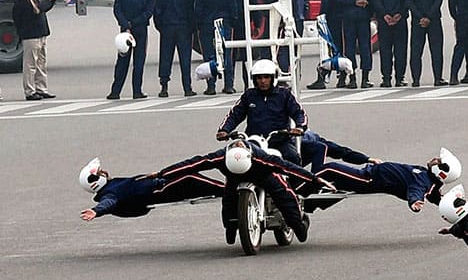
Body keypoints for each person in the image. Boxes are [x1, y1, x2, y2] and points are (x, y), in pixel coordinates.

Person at [159, 138, 327, 244]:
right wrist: (162, 173)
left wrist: (313, 178)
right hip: (234, 179)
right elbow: (192, 164)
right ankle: (231, 228)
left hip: (263, 176)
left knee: (284, 194)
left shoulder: (261, 158)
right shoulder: (220, 156)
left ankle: (299, 226)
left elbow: (288, 167)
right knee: (228, 201)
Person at [313, 148, 461, 213]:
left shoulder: (424, 181)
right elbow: (436, 198)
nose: (434, 159)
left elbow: (416, 190)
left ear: (441, 171)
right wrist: (455, 204)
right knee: (337, 187)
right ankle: (308, 207)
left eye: (438, 161)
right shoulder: (428, 179)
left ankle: (300, 182)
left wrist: (414, 201)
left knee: (330, 169)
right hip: (371, 173)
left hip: (368, 178)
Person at [216, 59, 307, 164]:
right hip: (253, 142)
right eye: (259, 78)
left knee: (293, 157)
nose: (263, 81)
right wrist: (224, 130)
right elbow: (235, 115)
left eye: (266, 77)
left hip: (279, 141)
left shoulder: (284, 95)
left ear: (274, 77)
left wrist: (300, 127)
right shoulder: (249, 95)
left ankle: (295, 180)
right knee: (233, 159)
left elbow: (299, 113)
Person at [78, 156, 225, 220]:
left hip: (158, 183)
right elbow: (108, 203)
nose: (104, 172)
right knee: (189, 178)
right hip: (157, 192)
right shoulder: (109, 194)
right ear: (95, 180)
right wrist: (96, 211)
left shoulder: (112, 185)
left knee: (186, 169)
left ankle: (224, 188)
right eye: (100, 172)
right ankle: (226, 190)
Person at [108, 0, 154, 100]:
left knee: (122, 60)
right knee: (139, 61)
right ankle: (137, 91)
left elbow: (117, 11)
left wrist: (126, 24)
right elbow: (148, 13)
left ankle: (115, 91)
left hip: (125, 30)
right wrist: (136, 22)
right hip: (140, 29)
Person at [331, 0, 374, 88]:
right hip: (363, 13)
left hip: (348, 14)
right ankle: (365, 78)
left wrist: (352, 2)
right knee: (365, 45)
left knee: (349, 46)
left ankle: (352, 77)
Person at [194, 0, 237, 95]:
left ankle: (211, 86)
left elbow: (198, 10)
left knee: (209, 54)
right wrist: (232, 22)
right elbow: (233, 8)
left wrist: (199, 25)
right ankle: (229, 84)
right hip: (224, 23)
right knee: (226, 54)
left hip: (207, 25)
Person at [153, 0, 196, 97]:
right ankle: (187, 87)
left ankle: (164, 86)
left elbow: (157, 12)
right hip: (184, 28)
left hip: (167, 28)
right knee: (185, 58)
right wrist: (191, 28)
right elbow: (192, 12)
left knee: (165, 57)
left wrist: (160, 27)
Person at [11, 0, 57, 100]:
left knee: (41, 63)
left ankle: (41, 88)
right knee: (30, 64)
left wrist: (50, 0)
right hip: (31, 35)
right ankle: (30, 91)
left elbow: (41, 8)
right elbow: (37, 9)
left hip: (40, 33)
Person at [407, 0, 446, 87]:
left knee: (416, 51)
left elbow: (409, 2)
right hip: (434, 20)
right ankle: (438, 78)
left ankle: (416, 79)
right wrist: (429, 17)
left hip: (417, 21)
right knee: (436, 50)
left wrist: (420, 16)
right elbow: (438, 1)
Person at [372, 0, 409, 87]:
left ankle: (386, 78)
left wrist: (384, 14)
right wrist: (400, 13)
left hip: (384, 20)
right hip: (400, 20)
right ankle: (400, 78)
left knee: (385, 50)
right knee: (400, 49)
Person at [309, 0, 347, 90]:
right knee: (344, 49)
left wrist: (321, 19)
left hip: (333, 20)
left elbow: (325, 4)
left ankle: (323, 77)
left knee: (330, 50)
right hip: (346, 20)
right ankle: (343, 77)